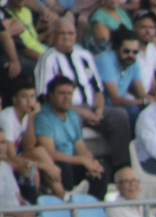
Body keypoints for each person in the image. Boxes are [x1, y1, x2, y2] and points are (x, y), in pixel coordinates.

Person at [33, 17, 131, 175]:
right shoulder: (47, 58)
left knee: (121, 116)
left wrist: (98, 110)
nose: (67, 37)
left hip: (91, 107)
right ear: (53, 36)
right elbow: (46, 97)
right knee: (71, 119)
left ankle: (122, 169)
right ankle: (78, 170)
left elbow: (98, 89)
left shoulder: (84, 55)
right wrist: (82, 112)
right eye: (62, 33)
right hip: (65, 110)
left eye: (71, 33)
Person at [33, 75, 110, 200]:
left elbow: (80, 147)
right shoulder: (43, 117)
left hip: (73, 162)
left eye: (69, 93)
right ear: (51, 95)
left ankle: (94, 206)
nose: (67, 97)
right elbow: (50, 153)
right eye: (62, 93)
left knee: (101, 168)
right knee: (63, 167)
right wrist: (82, 161)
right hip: (56, 164)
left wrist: (91, 163)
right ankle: (68, 204)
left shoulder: (73, 115)